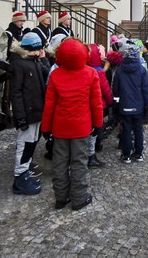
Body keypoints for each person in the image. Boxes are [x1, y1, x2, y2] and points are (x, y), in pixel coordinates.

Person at [40, 38, 104, 211]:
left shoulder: (55, 74)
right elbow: (96, 103)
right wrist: (98, 124)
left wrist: (45, 127)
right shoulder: (91, 73)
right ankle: (79, 197)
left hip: (60, 127)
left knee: (59, 163)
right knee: (79, 162)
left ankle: (61, 197)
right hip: (81, 127)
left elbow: (49, 104)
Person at [8, 32, 48, 195]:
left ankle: (24, 172)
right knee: (24, 144)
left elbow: (45, 74)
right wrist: (20, 116)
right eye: (36, 49)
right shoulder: (19, 64)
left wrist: (43, 58)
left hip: (37, 111)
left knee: (31, 143)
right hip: (27, 112)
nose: (38, 52)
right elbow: (16, 92)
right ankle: (19, 176)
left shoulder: (34, 61)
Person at [112, 44, 148, 164]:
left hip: (124, 105)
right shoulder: (142, 70)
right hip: (138, 105)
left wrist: (116, 104)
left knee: (126, 130)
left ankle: (126, 154)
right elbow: (145, 90)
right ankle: (138, 153)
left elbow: (116, 90)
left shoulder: (119, 70)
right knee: (138, 130)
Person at [86, 43, 113, 168]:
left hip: (84, 108)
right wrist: (110, 101)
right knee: (95, 130)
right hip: (97, 106)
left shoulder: (84, 68)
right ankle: (91, 155)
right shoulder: (98, 71)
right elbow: (106, 90)